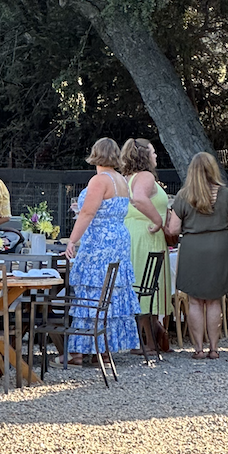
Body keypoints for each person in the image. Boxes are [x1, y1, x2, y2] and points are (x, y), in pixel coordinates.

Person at [58, 138, 140, 362]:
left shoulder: (99, 180)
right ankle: (103, 348)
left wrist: (72, 240)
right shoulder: (121, 180)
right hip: (118, 239)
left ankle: (79, 351)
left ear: (95, 154)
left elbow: (88, 214)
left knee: (92, 291)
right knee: (110, 292)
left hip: (99, 242)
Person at [167, 152, 228, 359]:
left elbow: (173, 230)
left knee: (195, 301)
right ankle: (214, 348)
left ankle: (198, 348)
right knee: (215, 300)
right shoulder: (225, 194)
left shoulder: (183, 196)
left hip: (193, 247)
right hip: (219, 247)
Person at [120, 139, 173, 358]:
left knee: (142, 284)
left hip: (134, 233)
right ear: (143, 156)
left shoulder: (126, 178)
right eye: (152, 152)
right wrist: (158, 221)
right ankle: (148, 342)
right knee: (146, 285)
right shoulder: (146, 176)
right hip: (146, 233)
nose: (156, 156)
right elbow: (139, 199)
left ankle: (150, 335)